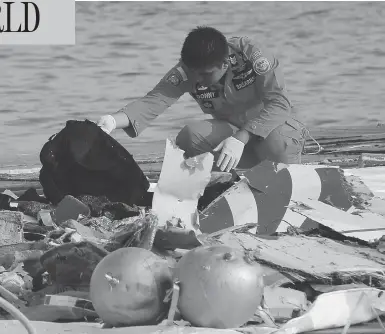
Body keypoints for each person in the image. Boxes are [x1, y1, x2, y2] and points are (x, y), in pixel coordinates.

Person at [97, 26, 307, 173]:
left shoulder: (252, 55)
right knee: (189, 136)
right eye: (194, 73)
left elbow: (280, 103)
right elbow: (152, 102)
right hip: (232, 136)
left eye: (206, 74)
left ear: (225, 63)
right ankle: (223, 183)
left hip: (274, 133)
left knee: (277, 140)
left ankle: (289, 178)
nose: (199, 80)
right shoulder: (188, 71)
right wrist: (112, 121)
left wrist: (242, 137)